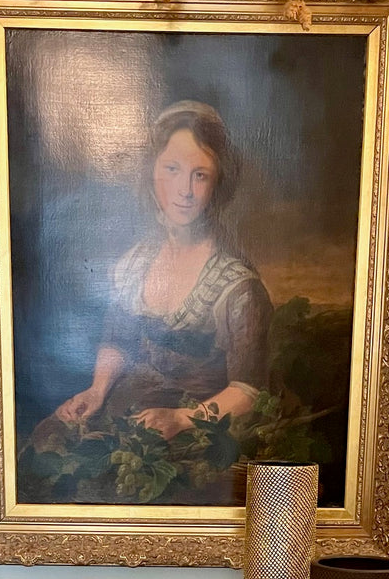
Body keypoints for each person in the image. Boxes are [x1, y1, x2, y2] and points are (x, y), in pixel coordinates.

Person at [53, 101, 272, 441]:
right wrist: (96, 391)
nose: (184, 190)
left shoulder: (237, 287)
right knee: (49, 438)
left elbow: (248, 390)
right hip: (126, 415)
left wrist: (185, 418)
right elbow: (117, 339)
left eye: (200, 175)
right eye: (172, 169)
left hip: (194, 433)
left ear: (217, 185)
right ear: (152, 174)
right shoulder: (134, 264)